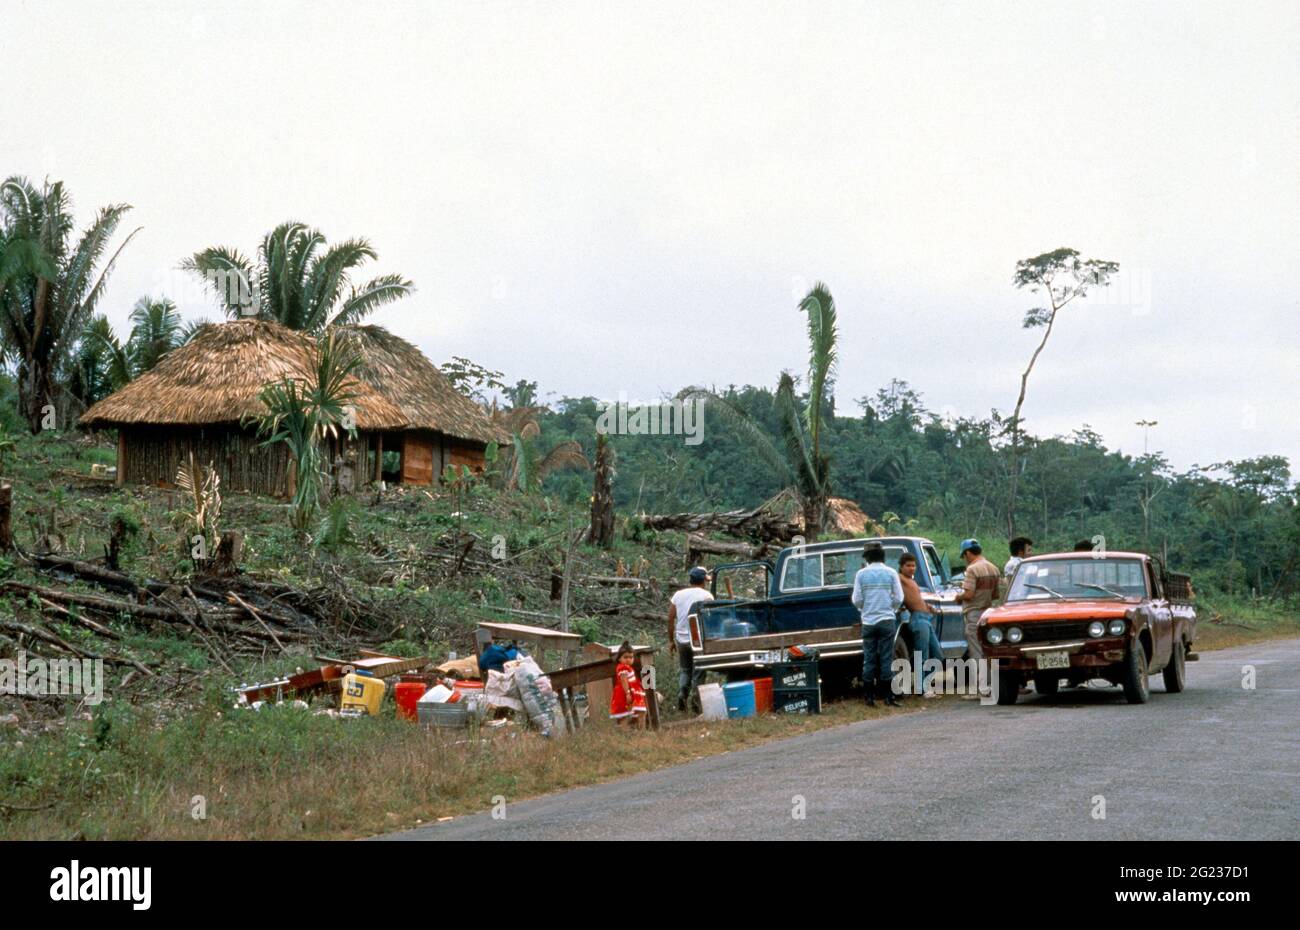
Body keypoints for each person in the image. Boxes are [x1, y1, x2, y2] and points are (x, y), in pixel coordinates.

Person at [852, 543, 904, 707]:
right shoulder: (891, 573)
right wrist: (891, 609)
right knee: (886, 658)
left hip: (868, 621)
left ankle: (869, 698)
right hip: (887, 620)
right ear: (883, 557)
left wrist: (864, 609)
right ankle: (888, 697)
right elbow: (899, 598)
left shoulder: (861, 574)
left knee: (869, 659)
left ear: (866, 558)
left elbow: (857, 599)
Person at [953, 539, 1000, 689]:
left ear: (967, 553)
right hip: (988, 613)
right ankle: (993, 683)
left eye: (964, 556)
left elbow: (968, 594)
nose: (965, 559)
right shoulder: (994, 568)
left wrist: (958, 597)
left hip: (974, 613)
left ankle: (983, 686)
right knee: (989, 650)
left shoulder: (972, 569)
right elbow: (996, 595)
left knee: (976, 650)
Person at [668, 566, 714, 713]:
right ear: (703, 581)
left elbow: (670, 618)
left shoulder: (678, 595)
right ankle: (696, 701)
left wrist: (671, 640)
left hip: (681, 639)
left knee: (685, 669)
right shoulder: (707, 596)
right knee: (699, 670)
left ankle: (682, 693)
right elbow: (710, 619)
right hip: (698, 640)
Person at [899, 553, 942, 698]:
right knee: (922, 655)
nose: (912, 568)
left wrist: (928, 606)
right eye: (908, 566)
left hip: (926, 618)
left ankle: (925, 684)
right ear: (901, 567)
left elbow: (917, 599)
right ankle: (921, 689)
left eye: (913, 565)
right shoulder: (900, 578)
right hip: (917, 619)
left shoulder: (913, 581)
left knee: (937, 655)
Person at [609, 641, 648, 728]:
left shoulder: (629, 667)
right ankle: (627, 732)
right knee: (625, 715)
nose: (628, 659)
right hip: (625, 692)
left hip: (633, 692)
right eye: (625, 657)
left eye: (631, 657)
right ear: (619, 658)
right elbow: (624, 680)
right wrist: (627, 693)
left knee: (641, 711)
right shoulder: (622, 667)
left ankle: (641, 731)